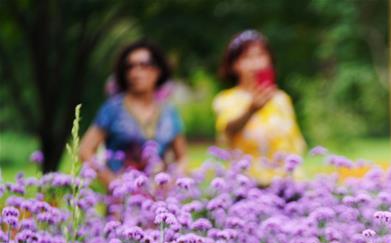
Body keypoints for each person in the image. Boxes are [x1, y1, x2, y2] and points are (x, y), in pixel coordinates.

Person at [79, 41, 187, 188]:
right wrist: (112, 182)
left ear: (158, 70)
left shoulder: (169, 112)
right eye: (129, 67)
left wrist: (173, 181)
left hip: (159, 198)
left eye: (144, 65)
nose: (135, 73)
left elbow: (182, 157)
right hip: (122, 198)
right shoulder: (112, 109)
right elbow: (85, 151)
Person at [213, 30, 306, 183]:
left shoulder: (281, 99)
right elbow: (228, 130)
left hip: (285, 183)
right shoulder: (226, 99)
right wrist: (251, 111)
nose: (256, 63)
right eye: (247, 57)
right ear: (233, 64)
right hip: (247, 183)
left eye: (260, 55)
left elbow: (296, 145)